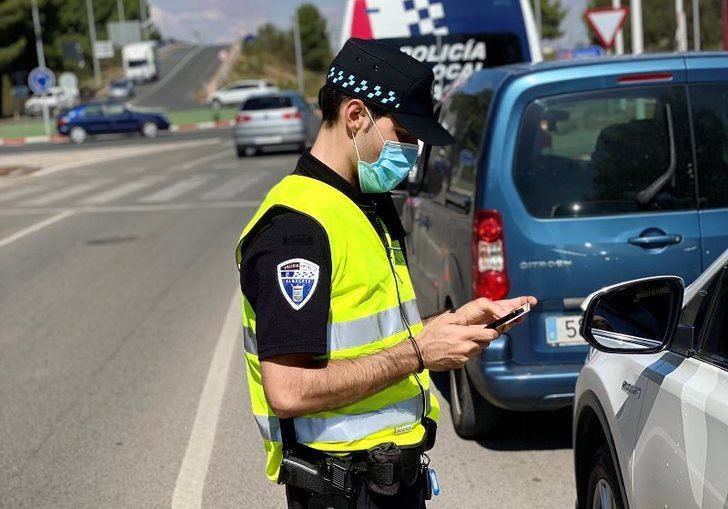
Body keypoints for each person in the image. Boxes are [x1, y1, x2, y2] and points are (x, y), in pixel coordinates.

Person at [235, 38, 537, 509]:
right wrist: (420, 353)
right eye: (405, 135)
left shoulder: (363, 203)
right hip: (341, 490)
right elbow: (288, 391)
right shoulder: (297, 231)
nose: (414, 152)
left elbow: (373, 332)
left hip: (387, 480)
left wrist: (443, 328)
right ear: (356, 116)